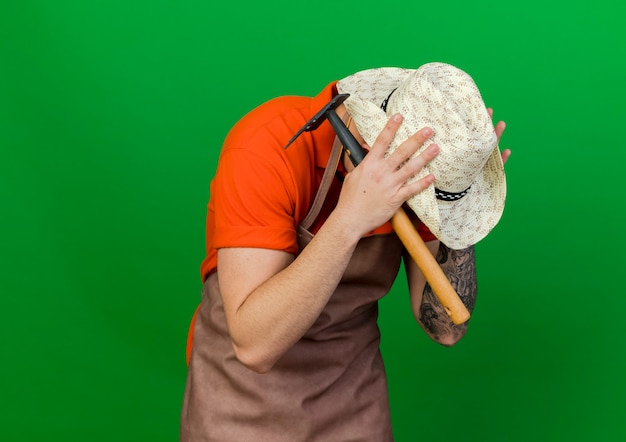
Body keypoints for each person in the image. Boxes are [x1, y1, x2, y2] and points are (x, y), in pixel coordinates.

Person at [181, 62, 510, 441]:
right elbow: (254, 347)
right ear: (372, 140)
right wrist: (351, 218)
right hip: (242, 403)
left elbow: (446, 329)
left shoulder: (423, 177)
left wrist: (461, 221)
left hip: (353, 400)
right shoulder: (266, 145)